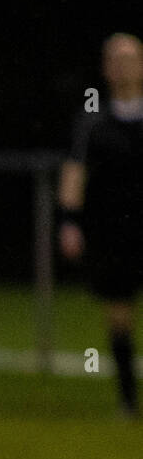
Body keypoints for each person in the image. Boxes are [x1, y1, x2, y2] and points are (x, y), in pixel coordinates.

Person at [59, 32, 143, 419]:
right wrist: (70, 222)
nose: (124, 66)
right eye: (116, 59)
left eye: (131, 58)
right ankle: (128, 401)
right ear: (107, 68)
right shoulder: (94, 120)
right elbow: (74, 172)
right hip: (112, 232)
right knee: (119, 314)